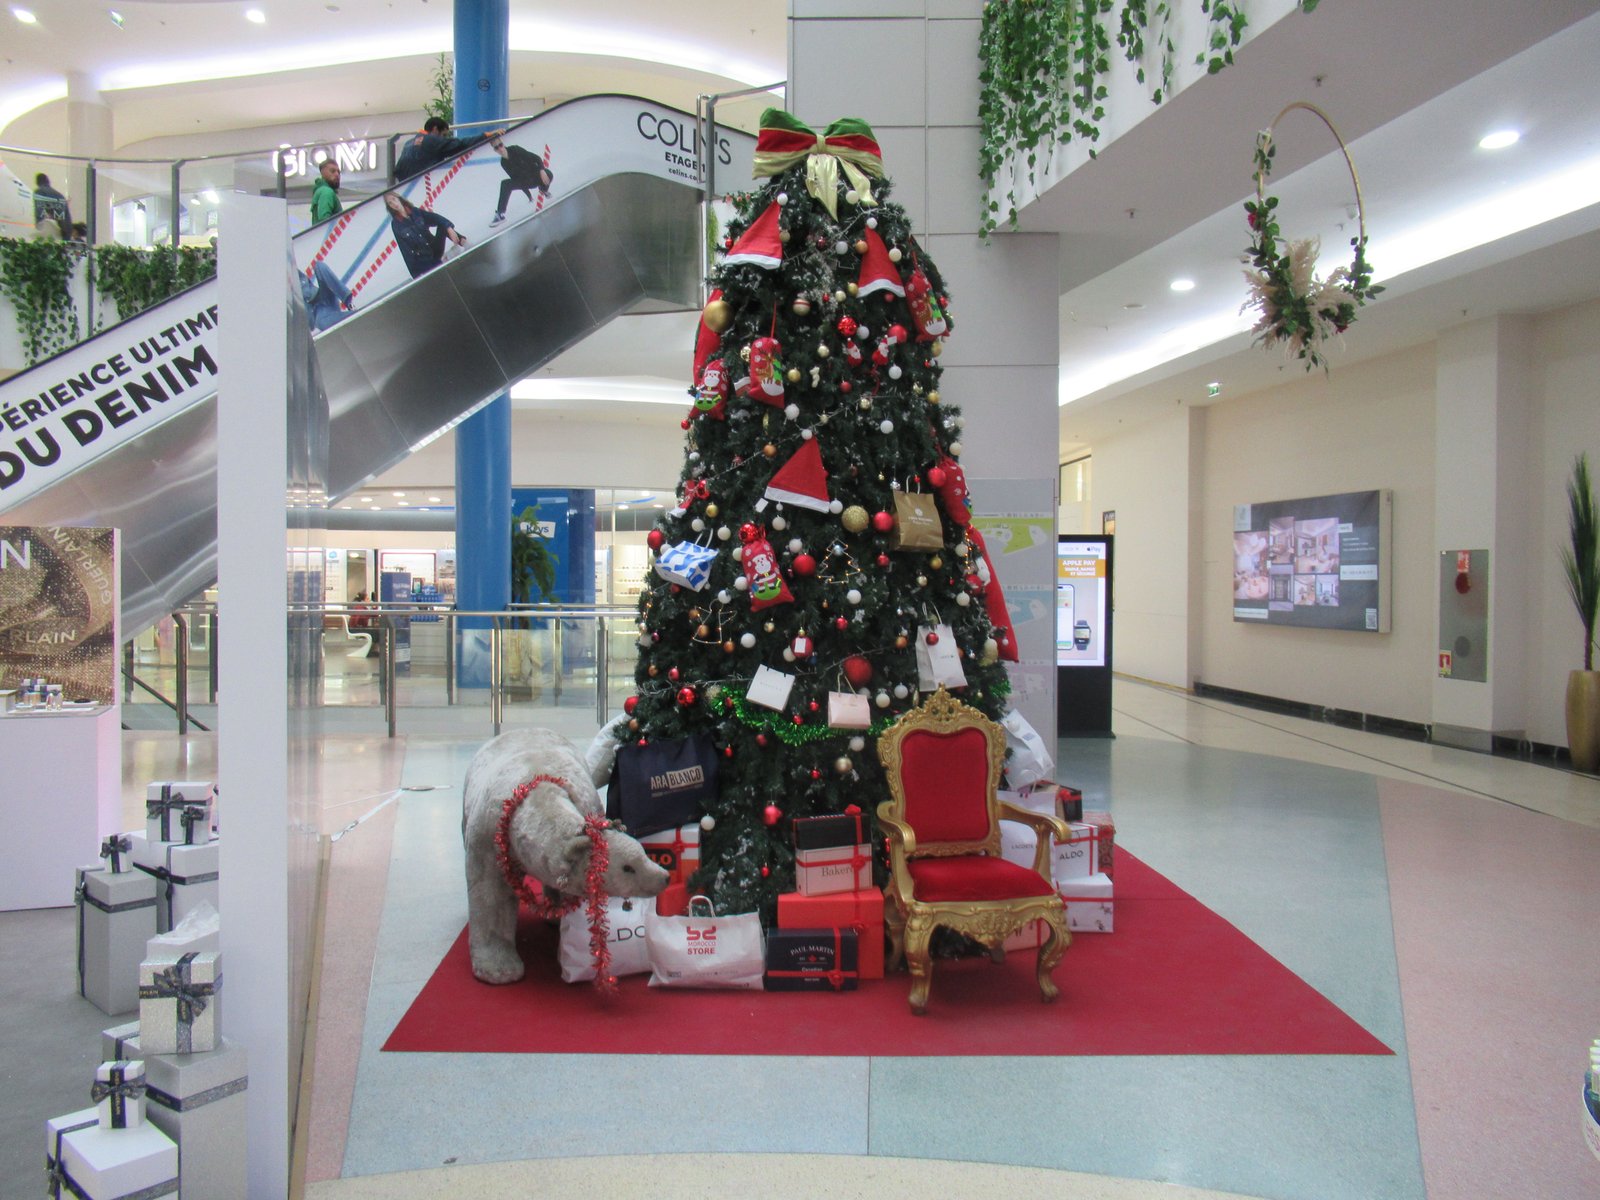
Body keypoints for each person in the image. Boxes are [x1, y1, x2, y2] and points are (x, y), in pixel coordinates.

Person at [384, 192, 465, 278]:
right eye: (390, 203)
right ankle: (445, 258)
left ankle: (463, 242)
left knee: (443, 225)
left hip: (435, 248)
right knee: (438, 269)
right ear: (389, 207)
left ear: (398, 198)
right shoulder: (396, 225)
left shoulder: (415, 211)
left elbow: (435, 218)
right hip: (424, 259)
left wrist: (449, 228)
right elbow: (405, 250)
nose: (394, 204)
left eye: (394, 199)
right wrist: (415, 276)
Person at [394, 116, 500, 181]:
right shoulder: (432, 140)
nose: (443, 138)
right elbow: (460, 144)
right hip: (422, 185)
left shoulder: (408, 143)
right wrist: (486, 135)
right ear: (435, 129)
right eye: (443, 135)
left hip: (406, 187)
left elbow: (398, 170)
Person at [487, 133, 553, 226]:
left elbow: (536, 158)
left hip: (535, 175)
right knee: (505, 184)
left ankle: (544, 189)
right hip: (525, 182)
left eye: (500, 145)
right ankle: (500, 214)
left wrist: (541, 170)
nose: (500, 149)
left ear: (503, 144)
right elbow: (515, 180)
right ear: (495, 150)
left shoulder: (515, 149)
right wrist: (529, 196)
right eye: (497, 148)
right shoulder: (503, 163)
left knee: (548, 173)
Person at [300, 260, 354, 332]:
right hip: (317, 313)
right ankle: (353, 316)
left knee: (319, 266)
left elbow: (305, 284)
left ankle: (349, 304)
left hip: (323, 297)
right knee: (323, 322)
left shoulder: (290, 271)